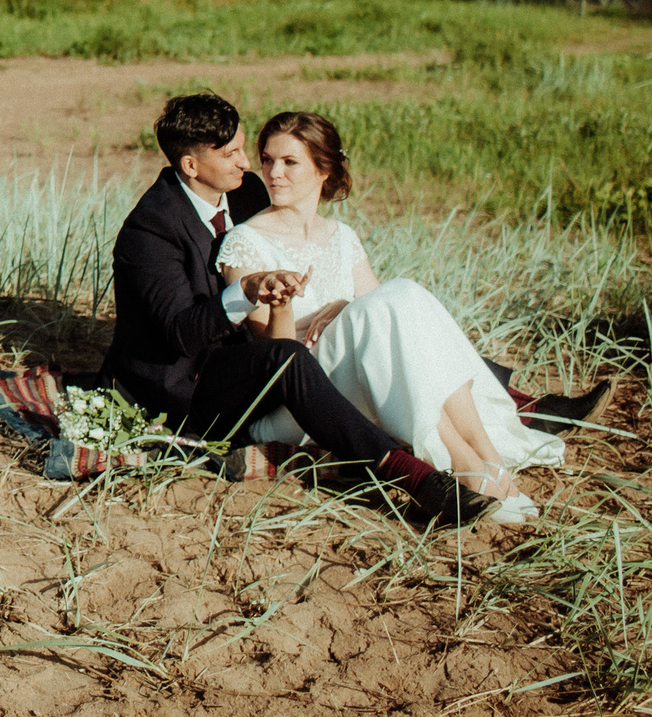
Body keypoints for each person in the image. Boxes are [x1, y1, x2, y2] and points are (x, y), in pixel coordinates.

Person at [81, 93, 596, 527]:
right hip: (188, 384)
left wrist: (338, 304)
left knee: (402, 299)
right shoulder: (149, 231)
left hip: (267, 352)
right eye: (238, 155)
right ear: (192, 166)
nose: (253, 167)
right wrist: (252, 292)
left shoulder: (246, 193)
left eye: (250, 151)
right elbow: (180, 334)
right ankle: (425, 473)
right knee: (364, 326)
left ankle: (493, 442)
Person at [217, 111, 579, 526]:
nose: (272, 173)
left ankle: (485, 460)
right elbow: (273, 360)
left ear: (323, 170)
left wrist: (342, 308)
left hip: (361, 380)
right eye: (267, 160)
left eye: (289, 162)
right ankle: (473, 466)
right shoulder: (246, 242)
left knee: (405, 296)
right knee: (398, 297)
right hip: (302, 403)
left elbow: (394, 323)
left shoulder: (342, 236)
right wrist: (284, 305)